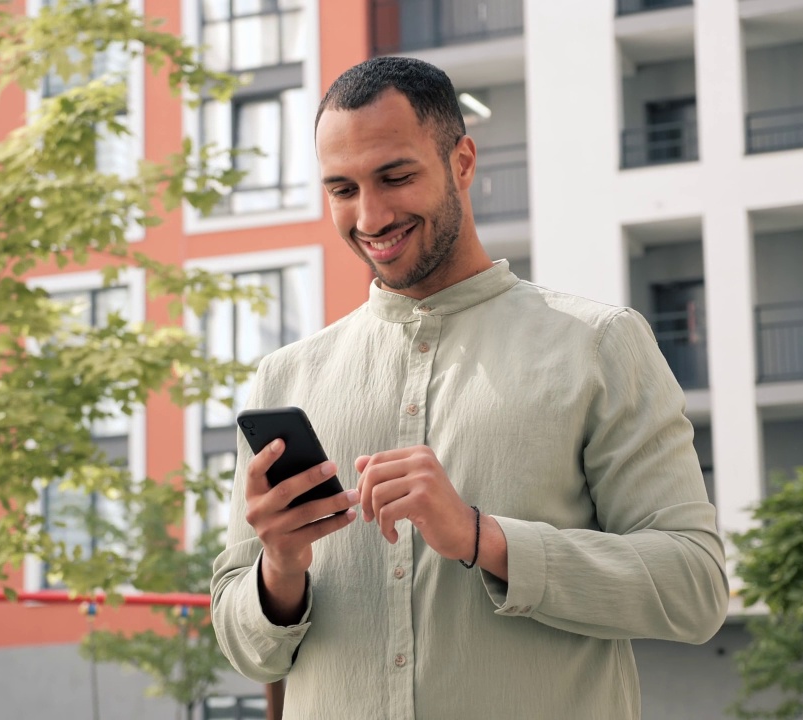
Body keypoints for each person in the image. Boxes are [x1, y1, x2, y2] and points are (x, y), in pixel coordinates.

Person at [210, 56, 728, 719]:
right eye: (342, 189)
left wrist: (484, 539)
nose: (369, 216)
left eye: (395, 177)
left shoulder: (597, 345)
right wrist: (279, 568)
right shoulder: (286, 378)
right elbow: (246, 648)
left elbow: (694, 588)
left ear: (462, 162)